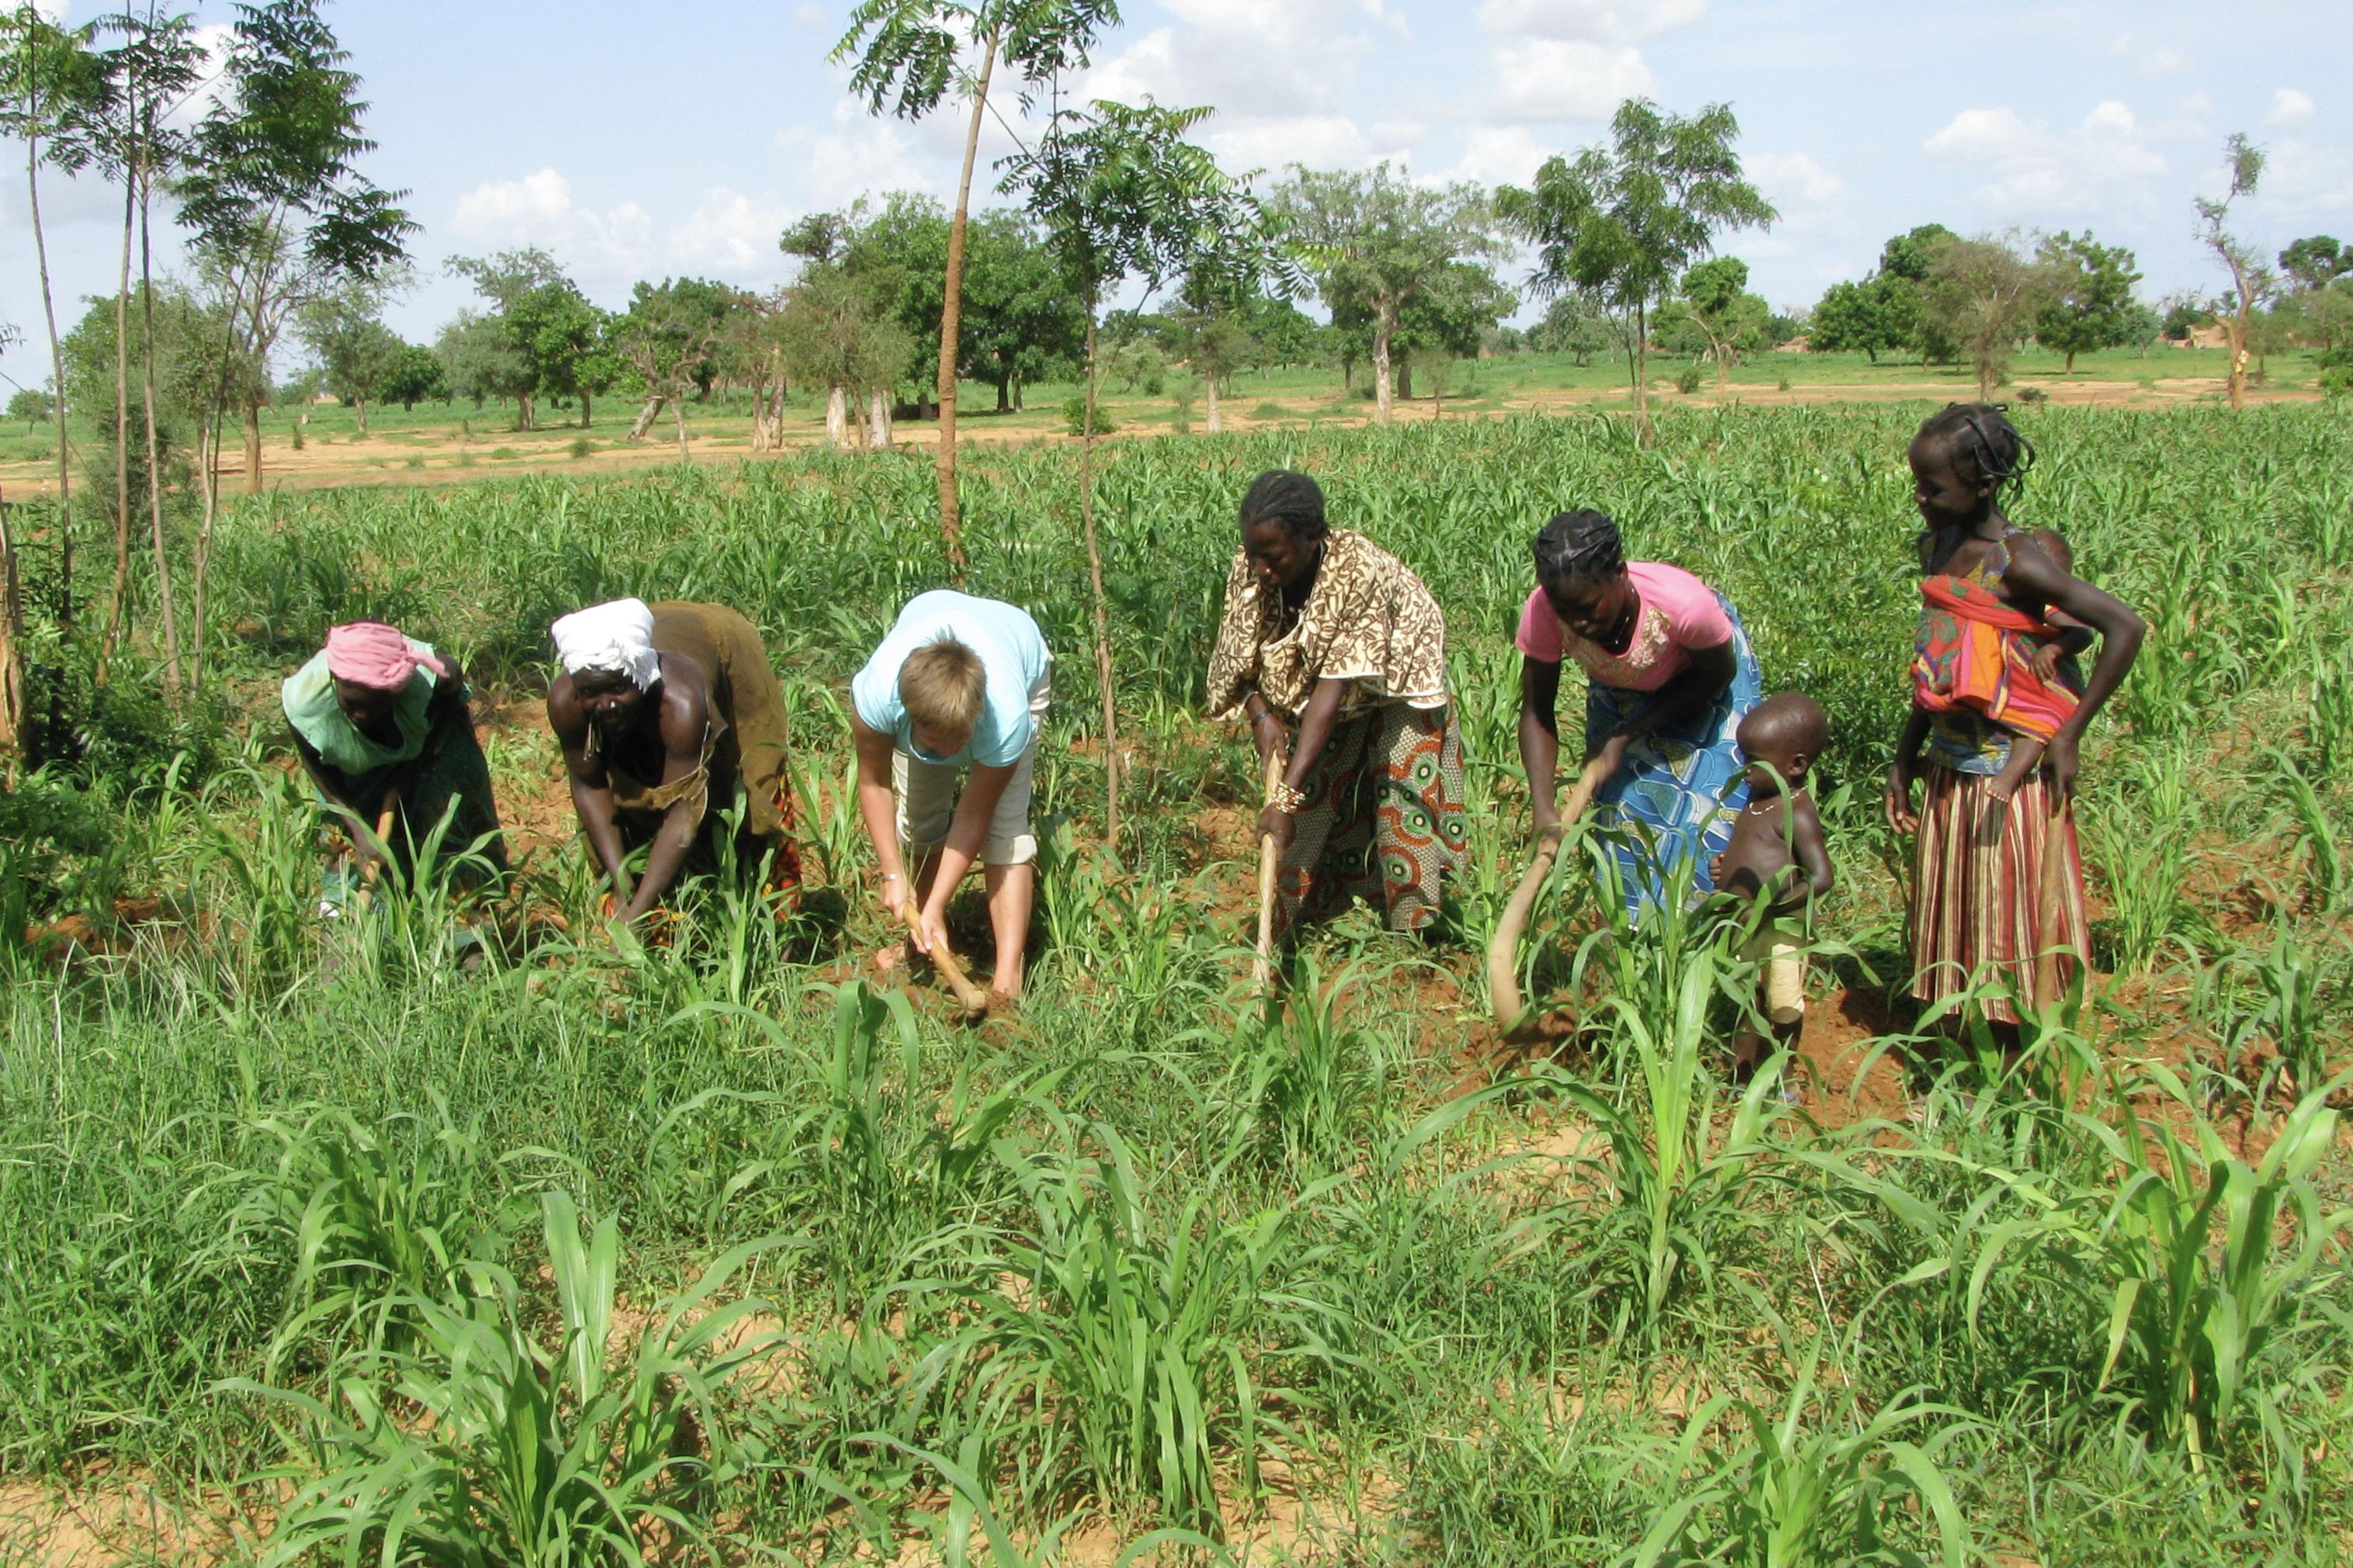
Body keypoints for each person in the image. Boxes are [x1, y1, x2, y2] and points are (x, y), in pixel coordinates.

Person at [1883, 403, 2143, 1032]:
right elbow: (1936, 657)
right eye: (1916, 482)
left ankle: (2023, 1047)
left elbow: (2124, 627)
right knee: (1957, 908)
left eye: (1933, 487)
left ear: (1985, 484)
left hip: (2010, 772)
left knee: (2010, 912)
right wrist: (1903, 754)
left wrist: (2070, 733)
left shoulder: (2017, 560)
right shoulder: (1937, 546)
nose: (1919, 497)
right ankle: (1961, 1035)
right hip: (1949, 760)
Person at [1204, 469, 1465, 942]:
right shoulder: (1252, 567)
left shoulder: (1357, 571)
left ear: (1313, 539)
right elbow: (1236, 657)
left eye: (1274, 557)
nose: (1261, 569)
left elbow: (1332, 690)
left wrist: (1284, 796)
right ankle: (1325, 911)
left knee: (1400, 794)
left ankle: (1416, 934)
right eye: (1254, 554)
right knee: (1319, 794)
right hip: (1328, 683)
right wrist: (1260, 712)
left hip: (1400, 676)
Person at [1515, 510, 1761, 914]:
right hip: (1622, 682)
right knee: (1621, 808)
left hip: (1703, 676)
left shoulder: (1684, 606)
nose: (1578, 623)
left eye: (1589, 608)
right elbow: (1537, 710)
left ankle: (1708, 933)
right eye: (1566, 612)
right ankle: (1634, 933)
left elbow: (1717, 673)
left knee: (1707, 808)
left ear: (1620, 573)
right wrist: (1544, 806)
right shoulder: (1546, 610)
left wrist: (1628, 733)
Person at [546, 597, 802, 928]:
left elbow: (682, 814)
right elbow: (589, 785)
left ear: (639, 674)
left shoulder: (681, 702)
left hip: (724, 642)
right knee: (634, 801)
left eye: (617, 689)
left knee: (756, 779)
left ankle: (781, 925)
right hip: (667, 629)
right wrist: (623, 884)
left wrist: (636, 914)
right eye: (591, 693)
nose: (606, 705)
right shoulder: (567, 700)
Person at [851, 590, 1052, 1004]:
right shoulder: (877, 694)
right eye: (935, 740)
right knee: (921, 819)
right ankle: (924, 937)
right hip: (932, 627)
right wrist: (893, 876)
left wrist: (941, 901)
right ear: (908, 715)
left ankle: (1006, 978)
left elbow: (974, 815)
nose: (949, 753)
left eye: (959, 740)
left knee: (1005, 831)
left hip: (1019, 650)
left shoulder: (1006, 717)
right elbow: (874, 783)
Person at [282, 620, 507, 912]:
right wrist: (359, 829)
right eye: (351, 702)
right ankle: (350, 922)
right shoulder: (306, 704)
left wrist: (417, 766)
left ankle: (465, 927)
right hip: (350, 767)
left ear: (397, 691)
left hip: (435, 744)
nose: (362, 714)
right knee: (353, 845)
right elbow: (317, 769)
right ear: (336, 681)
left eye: (375, 703)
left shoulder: (430, 680)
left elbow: (452, 693)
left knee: (448, 829)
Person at [1710, 693, 1834, 1078]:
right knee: (1747, 997)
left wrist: (1772, 905)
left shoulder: (1796, 809)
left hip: (1780, 928)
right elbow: (1752, 851)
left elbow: (1821, 877)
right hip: (1746, 925)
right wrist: (1725, 867)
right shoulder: (1755, 799)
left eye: (1752, 761)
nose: (1743, 769)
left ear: (1796, 765)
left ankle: (1782, 1075)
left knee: (1782, 1003)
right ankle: (1741, 1073)